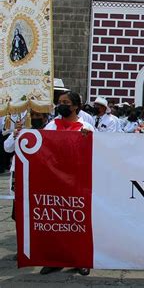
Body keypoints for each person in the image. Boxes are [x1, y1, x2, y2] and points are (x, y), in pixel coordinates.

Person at [42, 91, 93, 275]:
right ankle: (55, 260)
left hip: (79, 180)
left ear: (75, 106)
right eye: (60, 102)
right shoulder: (51, 125)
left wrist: (89, 139)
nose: (61, 105)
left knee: (79, 221)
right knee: (57, 221)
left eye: (66, 102)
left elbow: (96, 150)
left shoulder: (85, 126)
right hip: (56, 179)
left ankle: (81, 260)